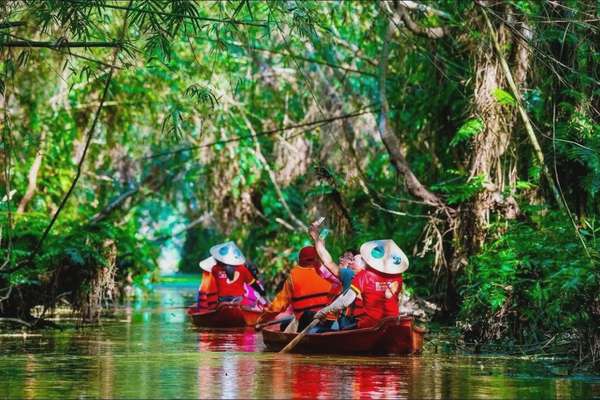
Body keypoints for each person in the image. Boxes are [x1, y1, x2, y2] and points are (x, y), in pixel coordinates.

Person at [314, 239, 408, 329]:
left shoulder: (364, 276)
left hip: (371, 324)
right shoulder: (398, 277)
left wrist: (324, 311)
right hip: (393, 322)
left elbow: (345, 301)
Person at [257, 246, 340, 332]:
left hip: (305, 323)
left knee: (284, 326)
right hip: (330, 322)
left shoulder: (293, 277)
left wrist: (262, 319)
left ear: (300, 260)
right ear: (318, 258)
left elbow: (278, 306)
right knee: (285, 324)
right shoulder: (330, 273)